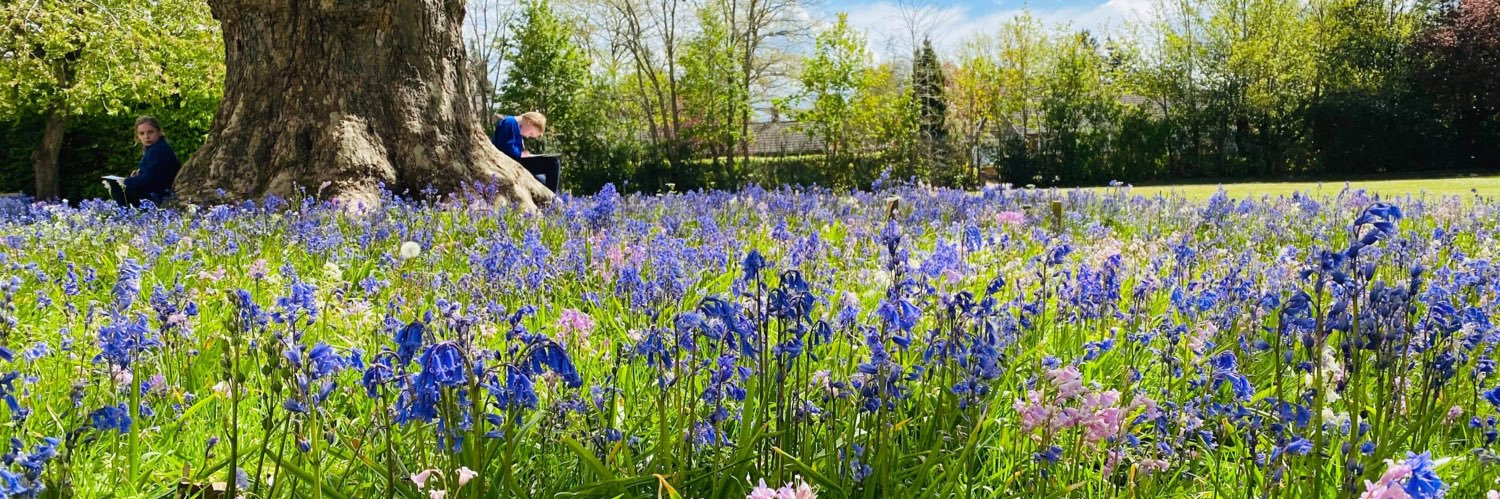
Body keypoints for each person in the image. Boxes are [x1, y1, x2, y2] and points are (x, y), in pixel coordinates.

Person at [107, 116, 181, 206]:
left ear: (159, 132)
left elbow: (149, 178)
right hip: (158, 192)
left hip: (160, 195)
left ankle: (124, 212)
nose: (146, 137)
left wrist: (126, 181)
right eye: (142, 133)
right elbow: (152, 173)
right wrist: (139, 175)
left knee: (117, 186)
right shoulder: (155, 148)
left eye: (150, 132)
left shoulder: (158, 149)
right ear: (138, 136)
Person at [491, 111, 561, 193]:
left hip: (515, 162)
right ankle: (552, 198)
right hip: (511, 162)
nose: (527, 136)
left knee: (544, 182)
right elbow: (505, 148)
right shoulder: (510, 122)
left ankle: (550, 196)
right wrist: (521, 154)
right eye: (531, 133)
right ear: (530, 122)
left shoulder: (515, 126)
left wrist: (527, 155)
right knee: (554, 163)